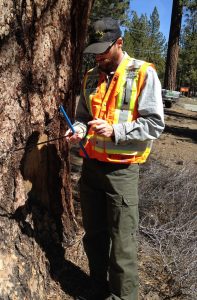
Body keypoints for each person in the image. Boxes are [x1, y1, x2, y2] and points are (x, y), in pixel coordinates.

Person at [65, 17, 165, 300]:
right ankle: (98, 290)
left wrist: (115, 131)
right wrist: (79, 130)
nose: (98, 56)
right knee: (94, 237)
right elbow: (84, 118)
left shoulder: (143, 73)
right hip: (91, 168)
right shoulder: (92, 76)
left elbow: (155, 125)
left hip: (122, 173)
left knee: (122, 246)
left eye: (103, 50)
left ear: (119, 43)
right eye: (94, 51)